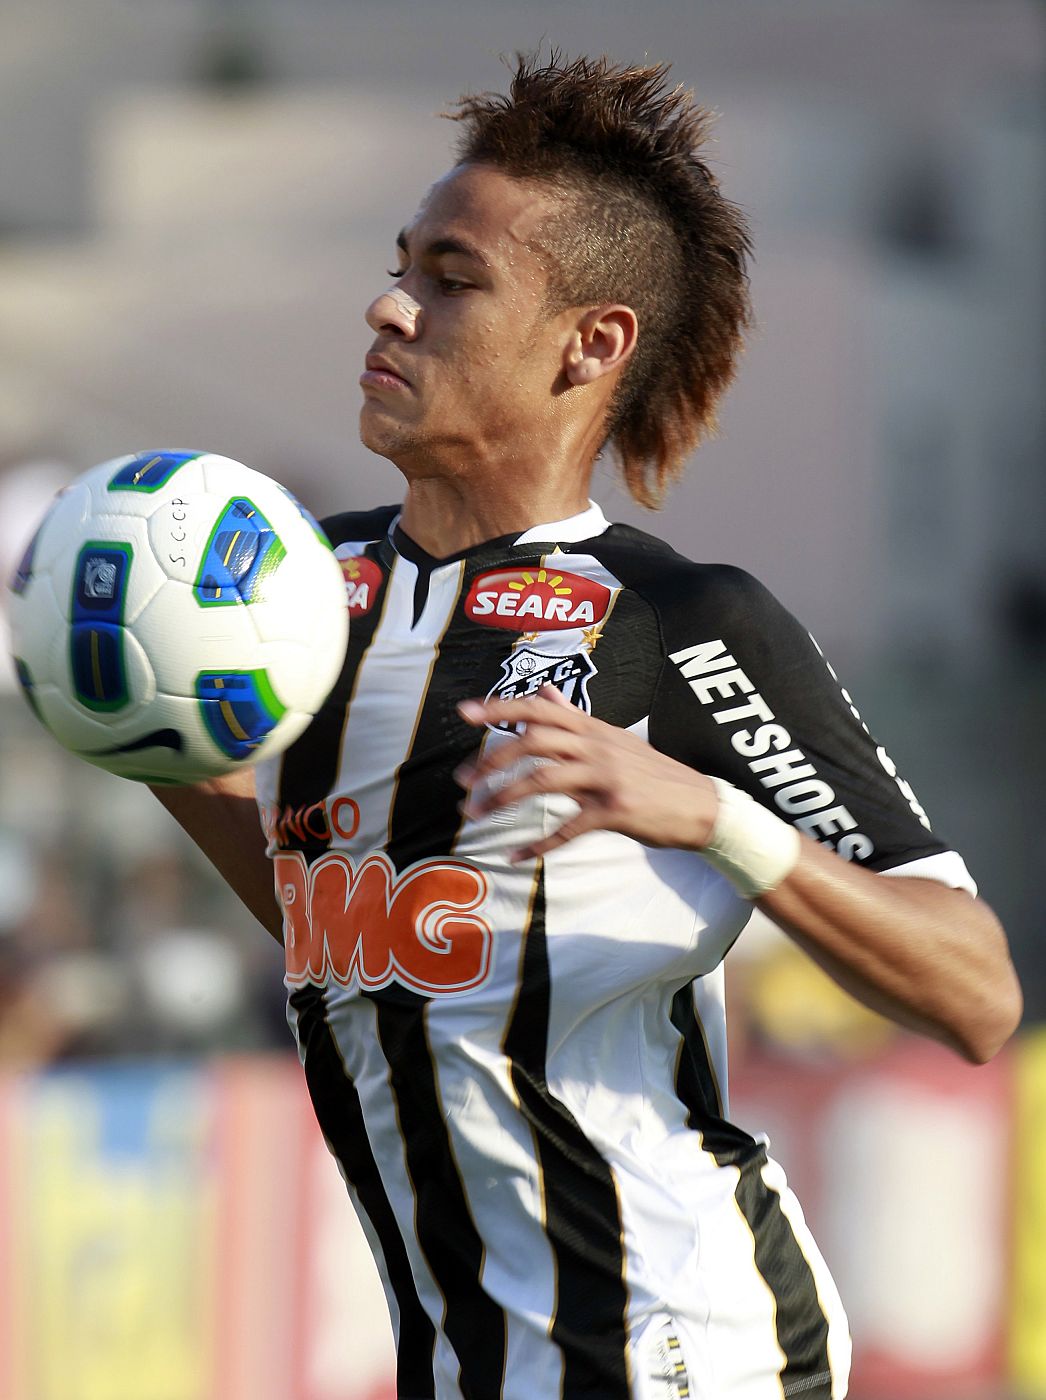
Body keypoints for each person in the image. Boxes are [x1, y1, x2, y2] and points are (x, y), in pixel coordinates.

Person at [157, 53, 1022, 1400]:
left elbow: (974, 995)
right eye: (402, 264)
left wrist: (714, 821)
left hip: (672, 1349)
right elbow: (370, 937)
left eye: (453, 279)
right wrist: (161, 756)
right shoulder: (299, 598)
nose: (389, 306)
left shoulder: (680, 623)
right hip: (463, 1358)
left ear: (590, 342)